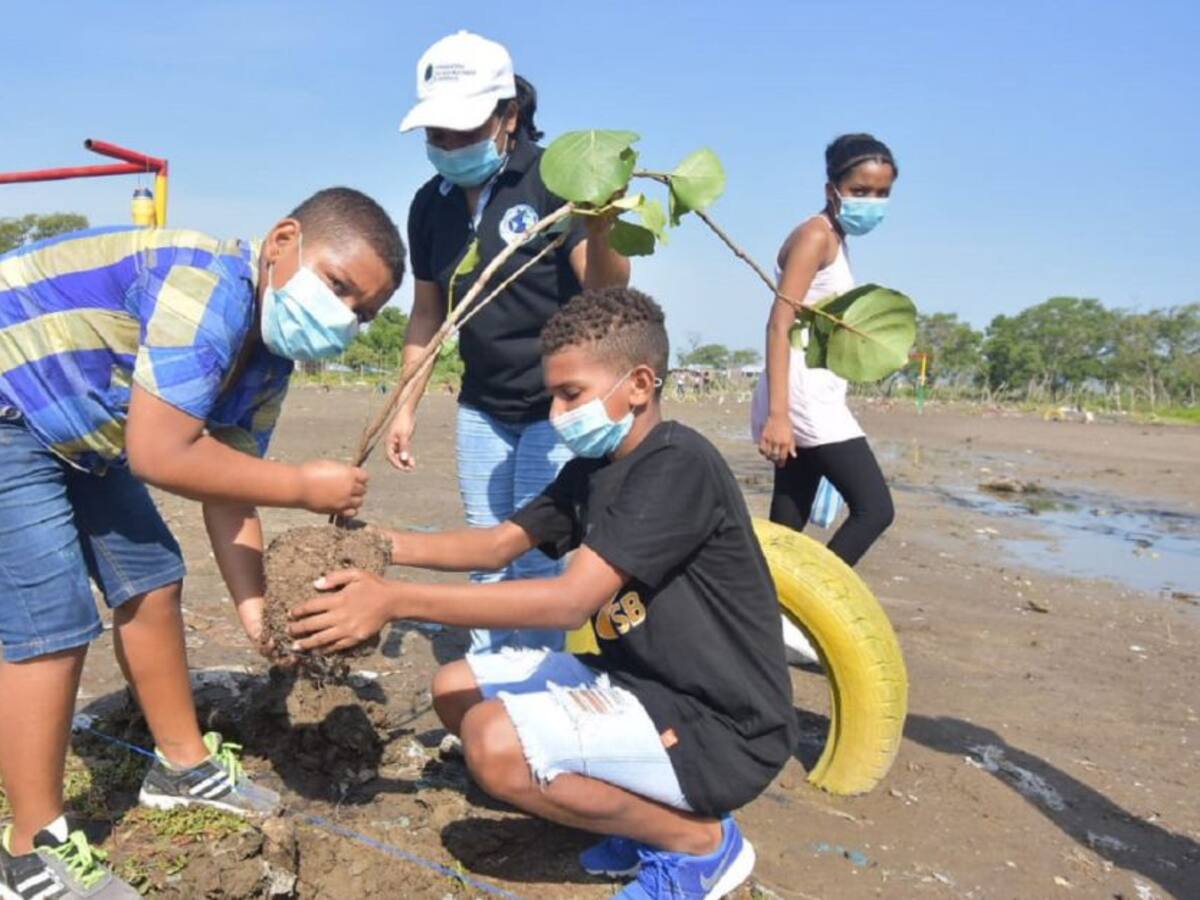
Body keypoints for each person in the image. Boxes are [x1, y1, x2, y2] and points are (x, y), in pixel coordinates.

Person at [288, 287, 797, 899]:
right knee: (454, 689)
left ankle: (702, 847)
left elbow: (568, 603)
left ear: (639, 384)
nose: (557, 413)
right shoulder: (595, 469)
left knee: (492, 744)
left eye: (571, 395)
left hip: (718, 726)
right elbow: (499, 544)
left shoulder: (677, 465)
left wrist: (394, 599)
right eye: (552, 394)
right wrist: (378, 545)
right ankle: (641, 818)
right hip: (636, 683)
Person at [0, 188, 404, 898]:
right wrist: (305, 486)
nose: (344, 317)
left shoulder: (269, 361)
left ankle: (181, 767)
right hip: (9, 405)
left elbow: (226, 480)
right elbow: (162, 455)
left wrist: (256, 613)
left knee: (153, 577)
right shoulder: (208, 288)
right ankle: (31, 850)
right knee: (51, 623)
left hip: (78, 431)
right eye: (339, 287)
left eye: (363, 311)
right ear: (281, 242)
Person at [388, 31, 631, 655]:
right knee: (484, 548)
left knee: (535, 553)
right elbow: (426, 314)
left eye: (463, 130)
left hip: (555, 407)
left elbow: (604, 290)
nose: (448, 146)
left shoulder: (554, 181)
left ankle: (540, 686)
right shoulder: (430, 206)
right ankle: (492, 677)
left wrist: (602, 230)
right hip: (483, 406)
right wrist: (405, 409)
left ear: (509, 116)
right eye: (436, 134)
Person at [752, 133, 898, 567]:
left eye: (882, 193)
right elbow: (779, 322)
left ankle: (768, 609)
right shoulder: (816, 236)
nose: (871, 201)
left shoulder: (834, 235)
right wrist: (779, 416)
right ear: (831, 190)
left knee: (787, 518)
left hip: (811, 388)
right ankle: (818, 595)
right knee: (875, 509)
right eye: (860, 191)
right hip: (801, 393)